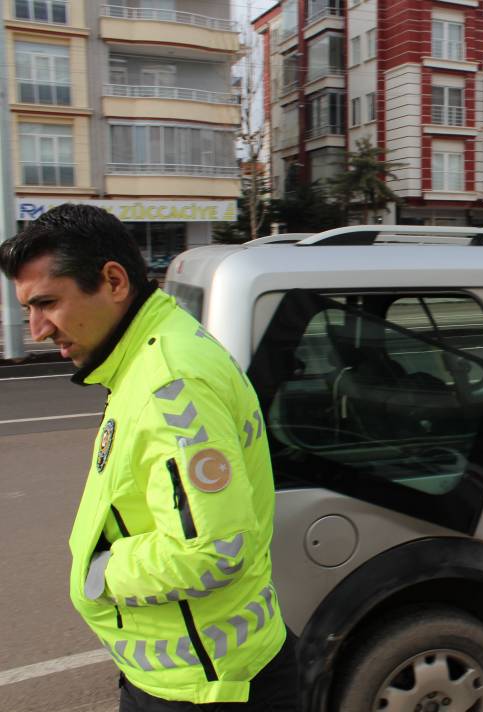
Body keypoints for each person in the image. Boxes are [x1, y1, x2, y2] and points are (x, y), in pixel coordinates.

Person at [0, 204, 298, 710]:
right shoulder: (153, 350)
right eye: (28, 309)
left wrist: (101, 573)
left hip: (204, 687)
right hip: (198, 672)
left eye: (47, 303)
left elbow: (214, 550)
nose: (37, 330)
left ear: (113, 281)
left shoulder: (168, 382)